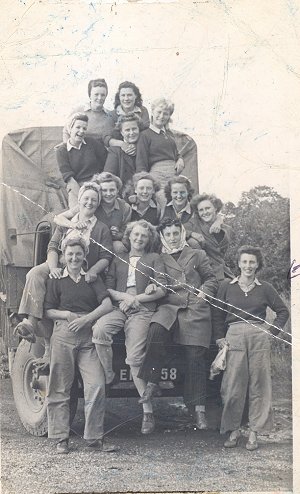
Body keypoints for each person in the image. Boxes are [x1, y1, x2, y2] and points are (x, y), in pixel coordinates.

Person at [14, 182, 113, 360]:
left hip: (81, 268)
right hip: (59, 263)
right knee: (35, 274)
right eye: (86, 199)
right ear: (79, 200)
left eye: (93, 200)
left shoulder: (101, 228)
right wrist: (52, 268)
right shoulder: (67, 223)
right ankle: (30, 322)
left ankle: (52, 348)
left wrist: (93, 271)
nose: (89, 203)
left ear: (98, 203)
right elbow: (52, 247)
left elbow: (106, 256)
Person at [138, 218, 218, 430]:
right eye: (169, 234)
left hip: (193, 307)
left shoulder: (197, 254)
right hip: (169, 304)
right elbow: (153, 278)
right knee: (155, 330)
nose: (173, 238)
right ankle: (152, 383)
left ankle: (198, 410)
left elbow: (211, 279)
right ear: (163, 236)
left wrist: (204, 292)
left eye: (176, 233)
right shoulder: (159, 256)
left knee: (196, 356)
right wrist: (151, 287)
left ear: (182, 232)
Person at [44, 236, 117, 454]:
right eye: (70, 254)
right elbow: (47, 310)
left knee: (96, 385)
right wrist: (66, 314)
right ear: (64, 256)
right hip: (63, 334)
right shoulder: (56, 278)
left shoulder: (92, 278)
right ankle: (60, 438)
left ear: (84, 256)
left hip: (87, 337)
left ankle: (94, 438)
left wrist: (87, 319)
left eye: (78, 254)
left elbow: (107, 304)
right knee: (60, 386)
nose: (74, 258)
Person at [92, 220, 166, 434]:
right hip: (119, 307)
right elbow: (107, 287)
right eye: (136, 234)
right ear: (129, 236)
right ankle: (109, 375)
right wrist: (125, 296)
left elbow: (161, 289)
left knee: (134, 358)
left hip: (142, 310)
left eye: (144, 235)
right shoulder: (118, 259)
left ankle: (147, 412)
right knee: (99, 331)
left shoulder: (154, 259)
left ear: (149, 239)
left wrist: (136, 299)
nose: (139, 238)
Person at [212, 245, 289, 451]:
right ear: (238, 263)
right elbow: (218, 315)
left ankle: (254, 432)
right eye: (244, 261)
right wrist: (220, 338)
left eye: (252, 262)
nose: (248, 266)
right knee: (232, 387)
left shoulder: (265, 288)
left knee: (259, 385)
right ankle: (234, 430)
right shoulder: (227, 286)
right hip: (234, 336)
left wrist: (271, 333)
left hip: (258, 338)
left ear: (257, 265)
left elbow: (283, 311)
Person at [54, 172, 132, 254]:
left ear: (118, 190)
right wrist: (74, 225)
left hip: (110, 243)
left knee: (118, 246)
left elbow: (125, 234)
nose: (108, 194)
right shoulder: (91, 204)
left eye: (112, 190)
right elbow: (58, 218)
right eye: (104, 190)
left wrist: (117, 234)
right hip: (90, 240)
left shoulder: (125, 208)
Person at [135, 98, 184, 205]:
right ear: (152, 112)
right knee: (162, 204)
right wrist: (144, 183)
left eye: (165, 114)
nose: (161, 116)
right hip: (158, 178)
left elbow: (175, 152)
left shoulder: (169, 135)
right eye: (159, 112)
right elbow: (141, 162)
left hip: (173, 177)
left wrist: (180, 158)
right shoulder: (145, 135)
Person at [56, 113, 107, 207]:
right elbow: (69, 178)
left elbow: (106, 160)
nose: (81, 131)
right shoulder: (62, 151)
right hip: (76, 185)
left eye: (84, 128)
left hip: (96, 182)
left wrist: (100, 179)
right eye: (78, 127)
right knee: (78, 212)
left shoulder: (92, 143)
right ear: (70, 128)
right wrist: (83, 194)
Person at [186, 193, 234, 281]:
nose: (205, 212)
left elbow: (221, 249)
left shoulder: (227, 229)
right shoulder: (194, 223)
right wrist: (192, 234)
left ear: (215, 208)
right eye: (201, 210)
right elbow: (179, 230)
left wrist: (218, 221)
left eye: (208, 208)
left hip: (219, 269)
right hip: (201, 270)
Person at [62, 78, 114, 142]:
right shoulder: (79, 110)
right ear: (90, 95)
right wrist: (67, 147)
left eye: (103, 95)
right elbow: (66, 131)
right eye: (96, 94)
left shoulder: (109, 116)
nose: (99, 98)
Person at [103, 81, 150, 149]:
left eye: (129, 95)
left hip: (140, 148)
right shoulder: (112, 115)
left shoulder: (143, 111)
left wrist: (135, 146)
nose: (126, 99)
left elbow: (146, 132)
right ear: (119, 97)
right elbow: (106, 138)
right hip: (119, 150)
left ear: (136, 96)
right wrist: (123, 144)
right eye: (123, 95)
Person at [104, 114, 141, 197]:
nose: (131, 133)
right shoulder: (115, 151)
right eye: (127, 130)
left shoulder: (144, 147)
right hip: (122, 195)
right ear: (121, 132)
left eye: (134, 129)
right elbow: (109, 176)